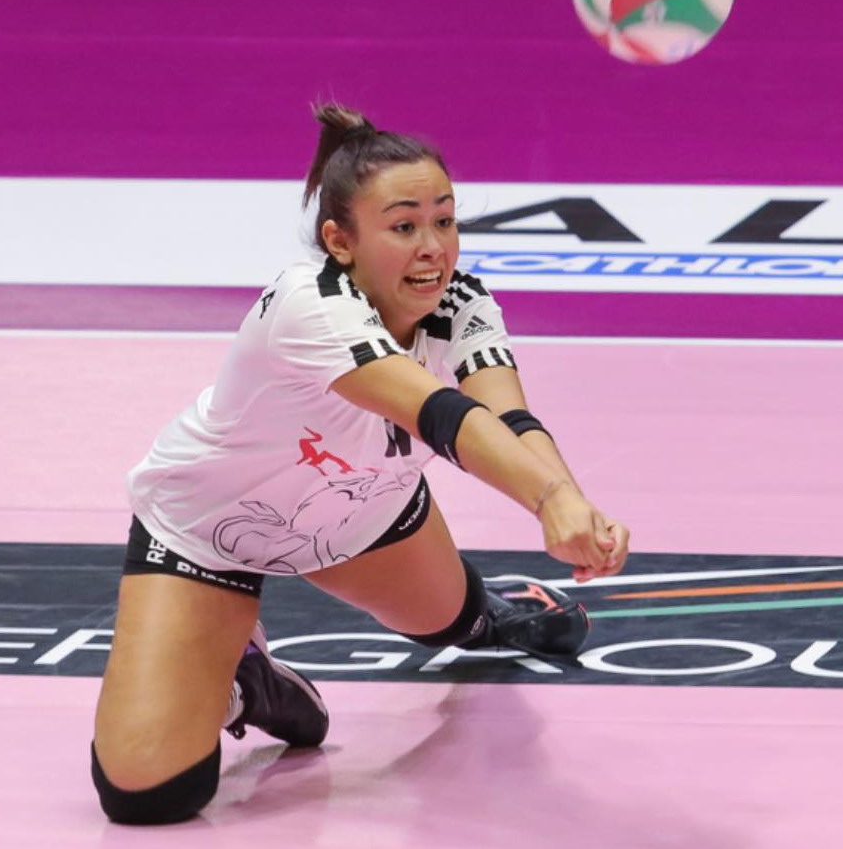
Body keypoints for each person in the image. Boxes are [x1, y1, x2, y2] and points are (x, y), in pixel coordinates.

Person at [90, 103, 631, 825]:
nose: (433, 248)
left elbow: (507, 419)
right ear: (340, 240)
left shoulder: (462, 303)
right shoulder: (308, 306)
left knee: (455, 623)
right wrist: (547, 501)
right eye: (404, 227)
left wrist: (573, 501)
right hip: (205, 530)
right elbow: (437, 412)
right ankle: (247, 680)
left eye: (445, 221)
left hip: (363, 515)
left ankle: (490, 614)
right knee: (148, 793)